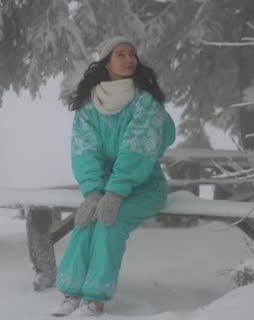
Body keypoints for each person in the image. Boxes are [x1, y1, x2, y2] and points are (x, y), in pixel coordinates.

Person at [52, 36, 176, 317]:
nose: (129, 58)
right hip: (104, 188)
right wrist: (94, 192)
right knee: (86, 221)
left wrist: (116, 192)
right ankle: (72, 293)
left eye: (132, 53)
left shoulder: (145, 103)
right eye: (120, 54)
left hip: (144, 187)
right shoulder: (88, 107)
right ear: (106, 63)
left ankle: (94, 300)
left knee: (110, 221)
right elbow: (84, 151)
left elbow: (138, 150)